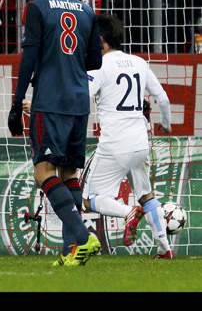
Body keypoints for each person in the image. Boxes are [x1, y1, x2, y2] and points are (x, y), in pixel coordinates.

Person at [7, 0, 103, 266]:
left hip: (50, 100)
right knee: (69, 172)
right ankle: (70, 252)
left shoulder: (36, 8)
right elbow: (95, 61)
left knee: (43, 172)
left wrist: (16, 103)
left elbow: (29, 57)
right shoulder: (86, 10)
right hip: (79, 101)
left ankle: (83, 238)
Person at [82, 13, 173, 259]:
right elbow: (163, 98)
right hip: (140, 142)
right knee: (146, 196)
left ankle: (127, 213)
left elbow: (80, 97)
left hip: (114, 144)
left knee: (89, 199)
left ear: (101, 41)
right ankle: (165, 249)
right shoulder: (139, 62)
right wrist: (166, 125)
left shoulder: (99, 66)